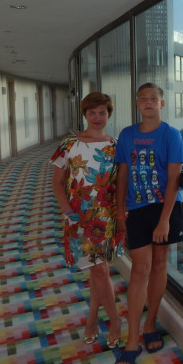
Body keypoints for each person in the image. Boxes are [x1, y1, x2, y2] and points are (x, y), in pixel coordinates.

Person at [113, 82, 183, 364]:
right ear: (137, 104)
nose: (148, 102)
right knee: (139, 269)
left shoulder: (171, 135)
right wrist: (119, 210)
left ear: (161, 104)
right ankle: (132, 339)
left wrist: (165, 219)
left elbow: (174, 178)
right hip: (137, 209)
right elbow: (122, 174)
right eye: (143, 98)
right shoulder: (127, 135)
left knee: (159, 265)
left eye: (153, 98)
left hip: (164, 207)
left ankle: (151, 323)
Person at [50, 92, 123, 349]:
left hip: (105, 217)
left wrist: (121, 214)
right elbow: (57, 182)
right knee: (97, 269)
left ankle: (104, 321)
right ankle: (105, 320)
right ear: (85, 114)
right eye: (92, 112)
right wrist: (68, 211)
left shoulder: (115, 145)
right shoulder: (69, 144)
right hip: (78, 216)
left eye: (102, 112)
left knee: (98, 269)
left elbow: (120, 184)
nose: (97, 117)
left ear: (109, 115)